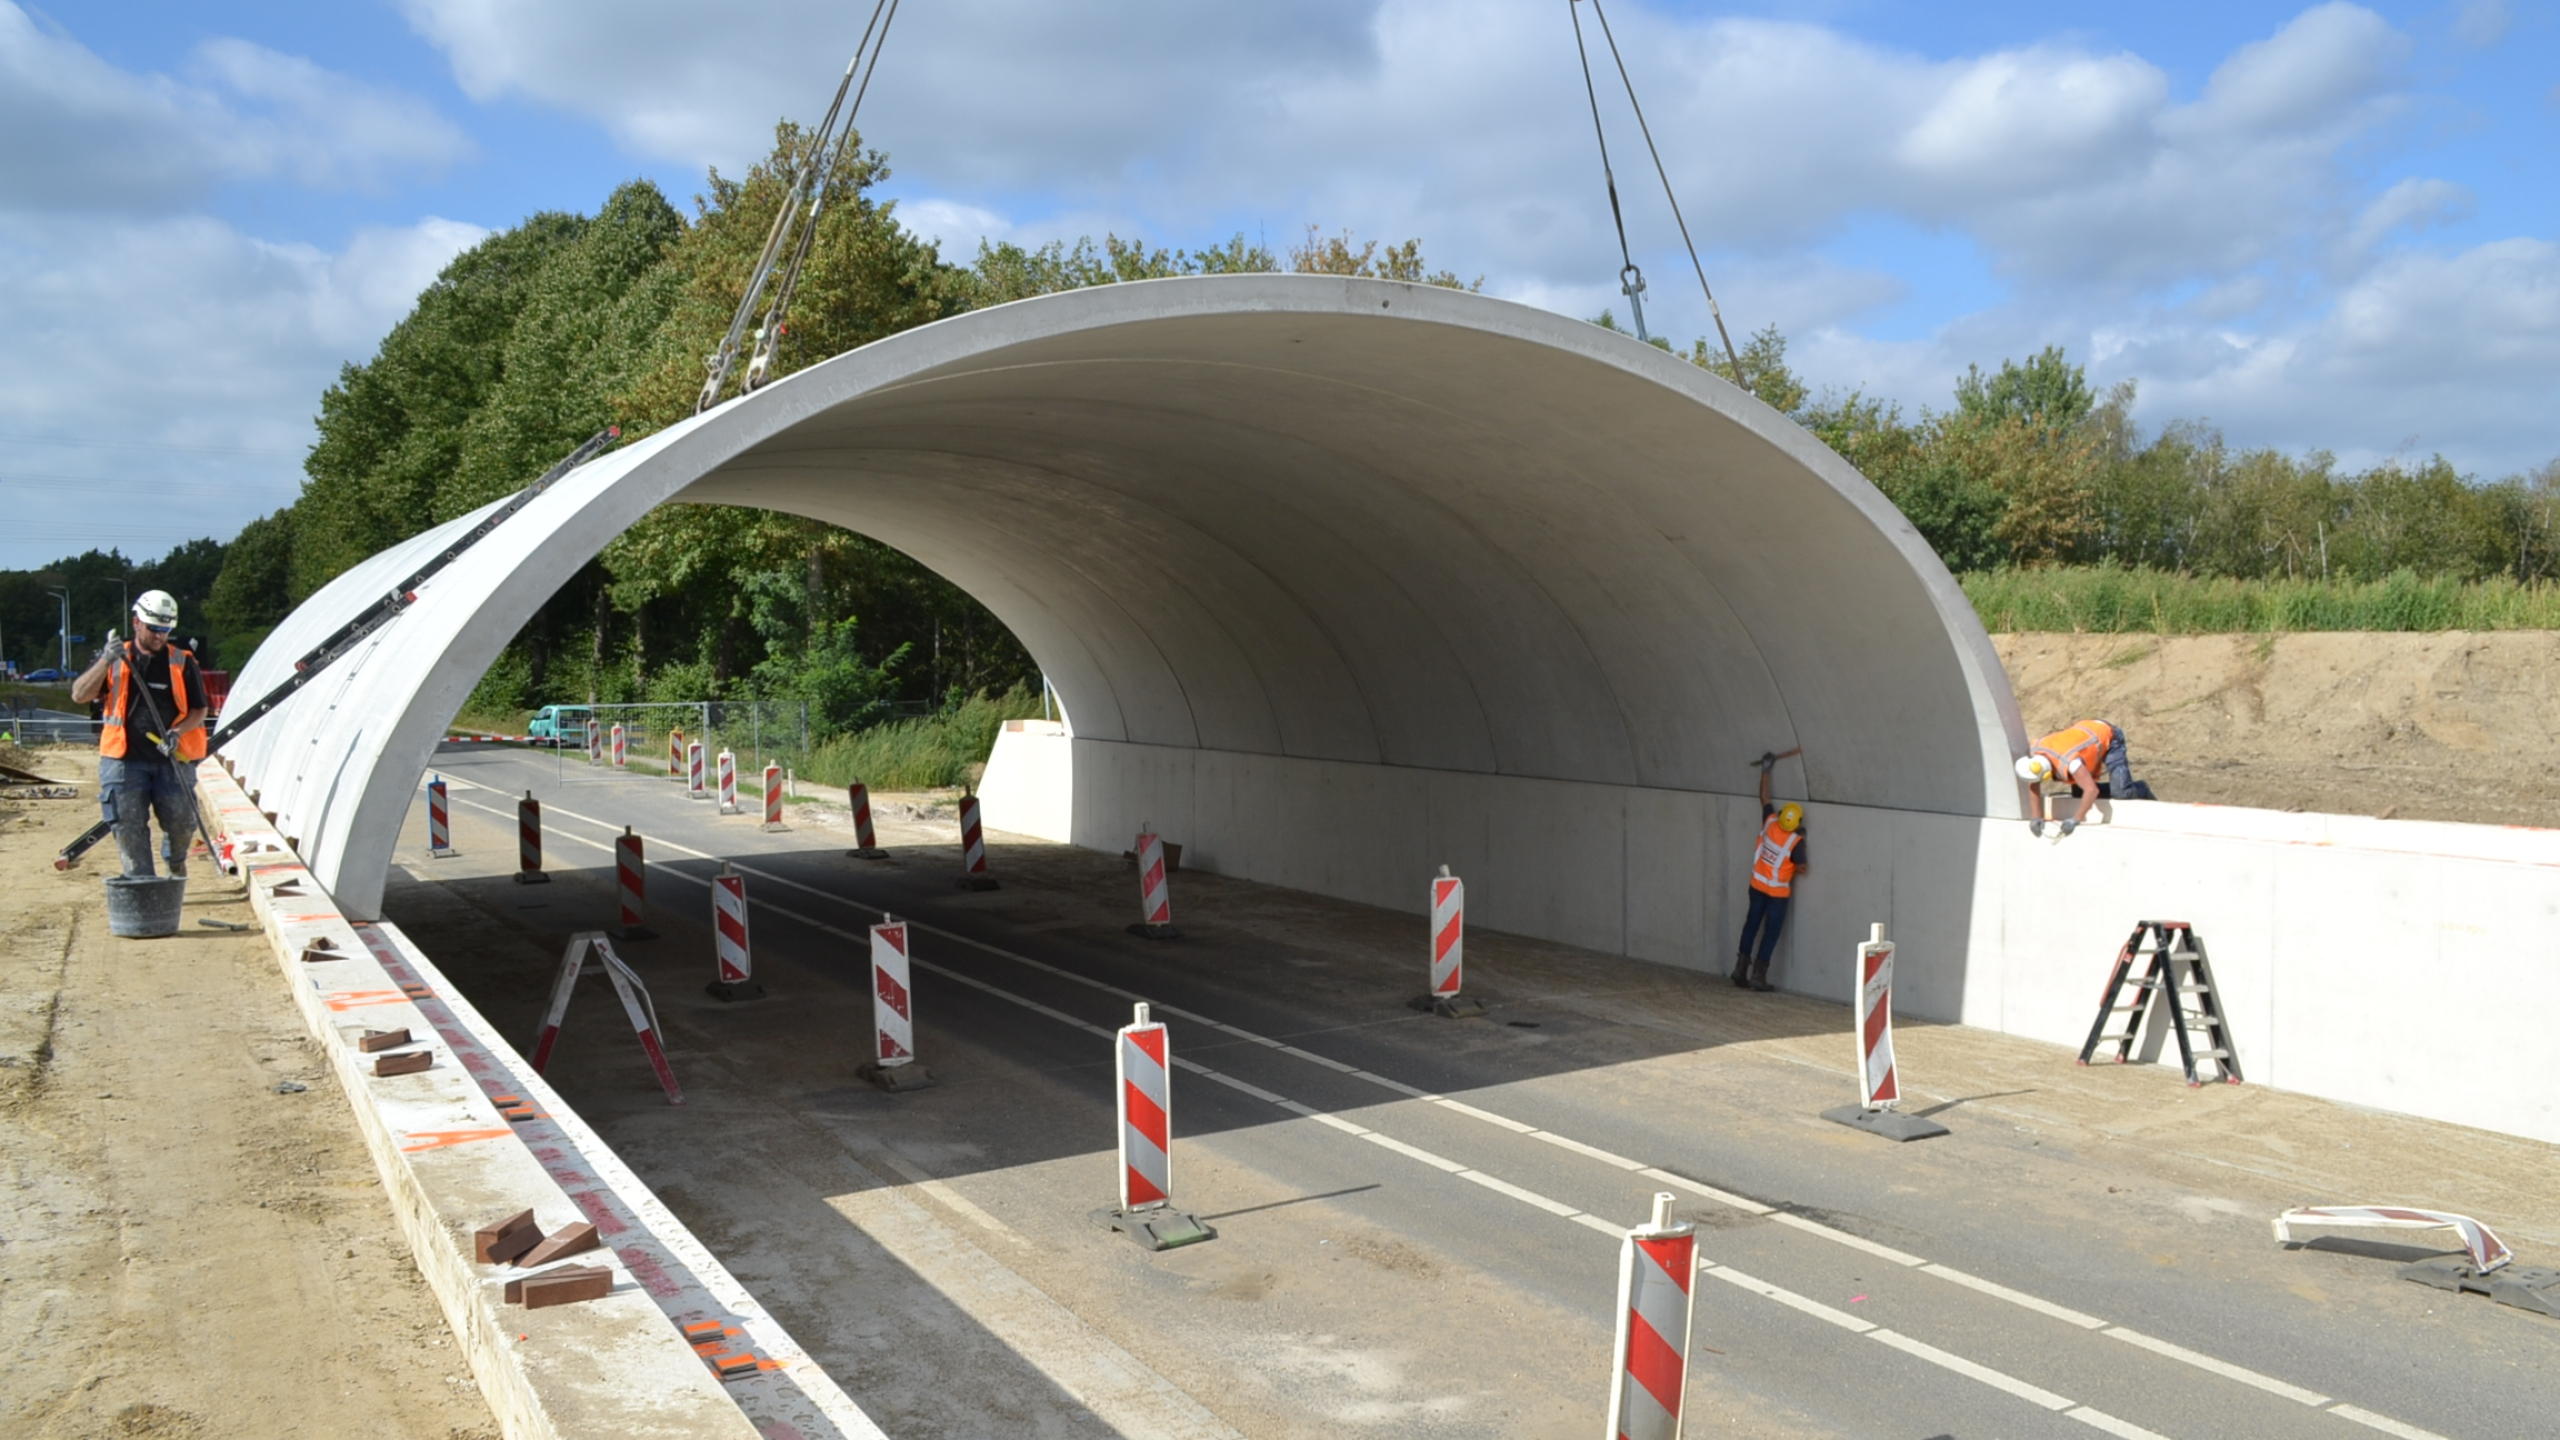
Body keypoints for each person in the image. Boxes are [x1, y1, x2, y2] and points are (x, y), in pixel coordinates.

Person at [68, 590, 210, 877]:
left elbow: (199, 710)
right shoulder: (114, 659)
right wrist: (107, 661)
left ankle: (176, 859)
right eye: (154, 629)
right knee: (128, 823)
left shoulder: (181, 661)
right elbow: (79, 695)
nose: (159, 636)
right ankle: (142, 884)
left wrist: (177, 732)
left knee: (182, 820)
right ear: (136, 623)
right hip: (123, 760)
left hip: (171, 759)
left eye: (165, 630)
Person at [1733, 752, 1807, 992]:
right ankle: (1758, 977)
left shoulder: (1770, 822)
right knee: (1770, 933)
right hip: (1777, 896)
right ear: (1796, 823)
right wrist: (1800, 848)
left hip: (1756, 887)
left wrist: (1765, 769)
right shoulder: (1796, 842)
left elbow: (1763, 797)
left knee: (1751, 926)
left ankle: (1740, 969)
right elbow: (1803, 869)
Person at [2016, 718, 2149, 836]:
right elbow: (2033, 784)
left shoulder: (2069, 761)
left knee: (2121, 793)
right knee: (2079, 793)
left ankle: (2142, 788)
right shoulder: (2034, 756)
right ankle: (2113, 789)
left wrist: (2076, 819)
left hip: (2108, 735)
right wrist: (2036, 817)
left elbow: (2092, 790)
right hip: (2085, 732)